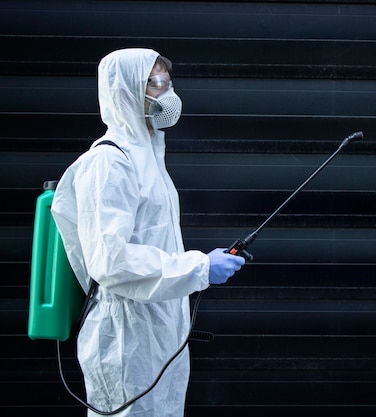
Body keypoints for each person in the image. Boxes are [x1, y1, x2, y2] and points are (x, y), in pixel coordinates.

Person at [51, 48, 245, 416]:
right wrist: (199, 267)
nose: (167, 95)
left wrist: (199, 268)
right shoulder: (109, 162)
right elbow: (111, 261)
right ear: (125, 91)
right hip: (125, 335)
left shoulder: (149, 156)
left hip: (159, 329)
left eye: (168, 83)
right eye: (155, 84)